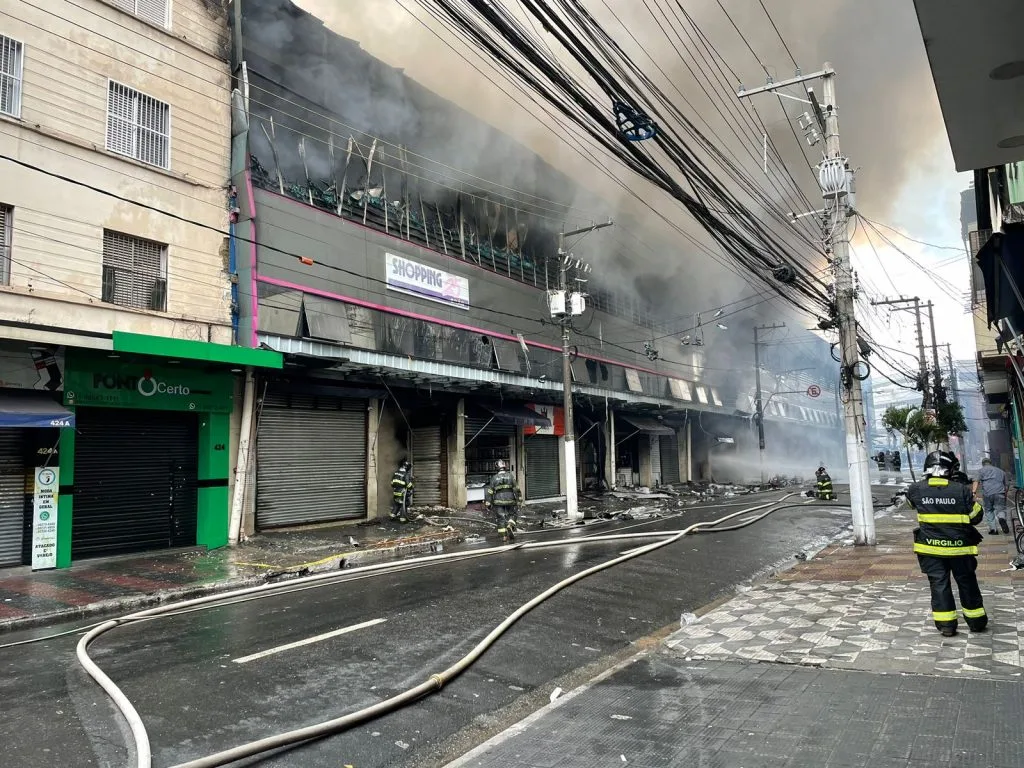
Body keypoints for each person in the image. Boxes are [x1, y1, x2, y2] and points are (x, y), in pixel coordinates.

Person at [905, 450, 986, 637]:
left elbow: (911, 504)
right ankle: (976, 622)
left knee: (939, 585)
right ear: (950, 469)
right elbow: (976, 517)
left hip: (930, 549)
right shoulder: (960, 490)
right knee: (967, 582)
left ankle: (947, 626)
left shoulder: (916, 489)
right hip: (960, 548)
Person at [485, 459, 521, 540]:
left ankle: (504, 536)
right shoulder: (510, 476)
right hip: (510, 500)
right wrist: (519, 500)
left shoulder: (494, 478)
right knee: (513, 514)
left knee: (501, 518)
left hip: (498, 501)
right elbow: (517, 489)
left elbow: (490, 491)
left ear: (497, 467)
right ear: (505, 467)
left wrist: (488, 503)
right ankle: (510, 524)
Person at [973, 458, 1010, 535]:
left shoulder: (981, 471)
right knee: (1001, 509)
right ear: (991, 463)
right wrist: (1005, 493)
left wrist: (974, 492)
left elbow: (976, 481)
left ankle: (993, 530)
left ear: (983, 464)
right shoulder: (1000, 471)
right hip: (1000, 492)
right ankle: (1002, 518)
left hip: (987, 494)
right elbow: (1007, 484)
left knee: (989, 510)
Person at [390, 459, 416, 523]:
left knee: (396, 504)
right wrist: (412, 486)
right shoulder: (406, 474)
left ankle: (392, 516)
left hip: (396, 492)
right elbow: (408, 485)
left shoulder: (396, 472)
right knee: (404, 505)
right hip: (402, 493)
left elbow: (392, 483)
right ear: (407, 467)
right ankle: (402, 519)